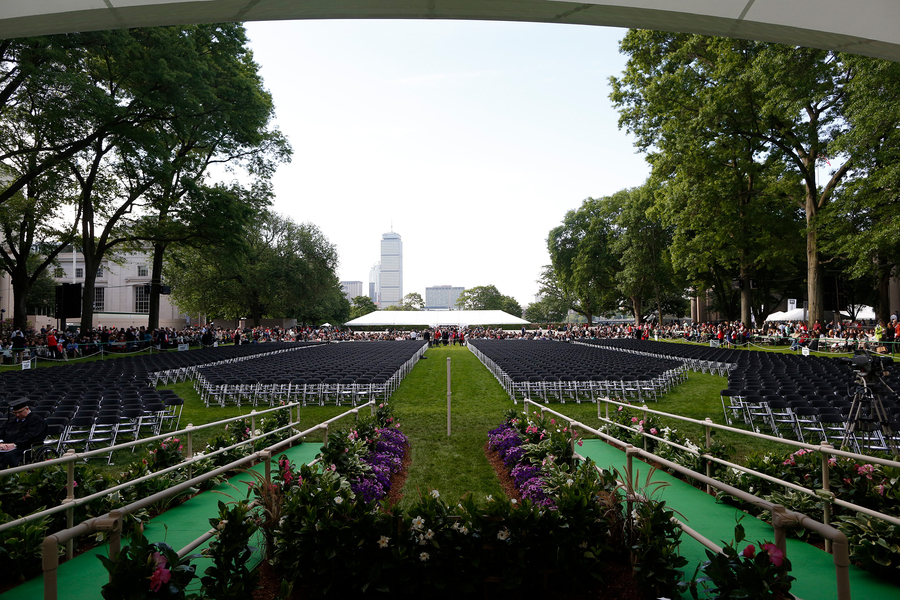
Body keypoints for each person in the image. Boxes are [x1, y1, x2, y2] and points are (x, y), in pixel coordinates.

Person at [0, 398, 48, 469]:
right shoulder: (11, 421)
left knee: (8, 456)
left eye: (19, 412)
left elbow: (31, 436)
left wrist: (15, 444)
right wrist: (1, 443)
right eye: (15, 413)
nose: (17, 415)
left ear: (27, 409)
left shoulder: (36, 420)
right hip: (6, 446)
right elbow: (1, 432)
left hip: (23, 447)